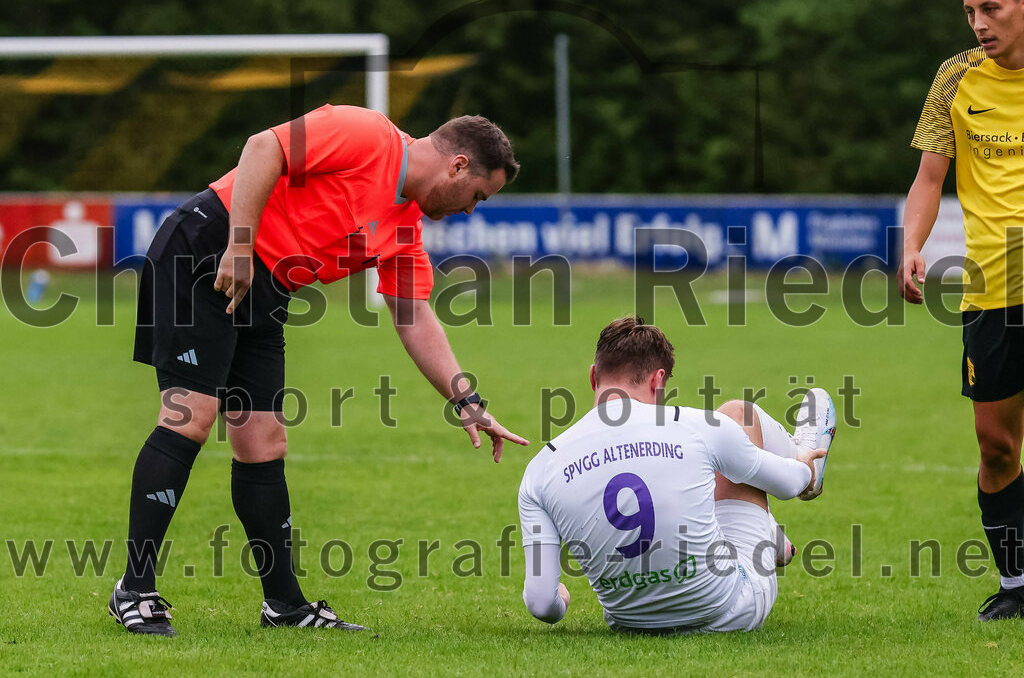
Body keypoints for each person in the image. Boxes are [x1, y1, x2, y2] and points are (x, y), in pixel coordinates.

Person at [109, 104, 529, 636]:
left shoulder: (405, 228)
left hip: (267, 285)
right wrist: (239, 245)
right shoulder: (368, 134)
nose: (471, 210)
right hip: (209, 248)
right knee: (191, 416)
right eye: (477, 197)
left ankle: (283, 605)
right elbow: (264, 146)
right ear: (458, 166)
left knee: (263, 440)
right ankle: (135, 590)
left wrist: (466, 401)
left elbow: (414, 316)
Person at [517, 317, 834, 633]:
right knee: (738, 415)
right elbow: (787, 485)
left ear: (592, 377)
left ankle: (770, 532)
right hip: (730, 609)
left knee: (702, 470)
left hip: (632, 624)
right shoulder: (698, 426)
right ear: (657, 380)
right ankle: (801, 454)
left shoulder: (542, 467)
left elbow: (542, 603)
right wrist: (804, 470)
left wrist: (559, 602)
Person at [899, 0, 1024, 621]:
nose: (978, 23)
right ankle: (1017, 582)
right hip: (994, 293)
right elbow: (929, 178)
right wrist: (913, 246)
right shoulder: (957, 78)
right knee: (997, 446)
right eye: (971, 12)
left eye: (991, 9)